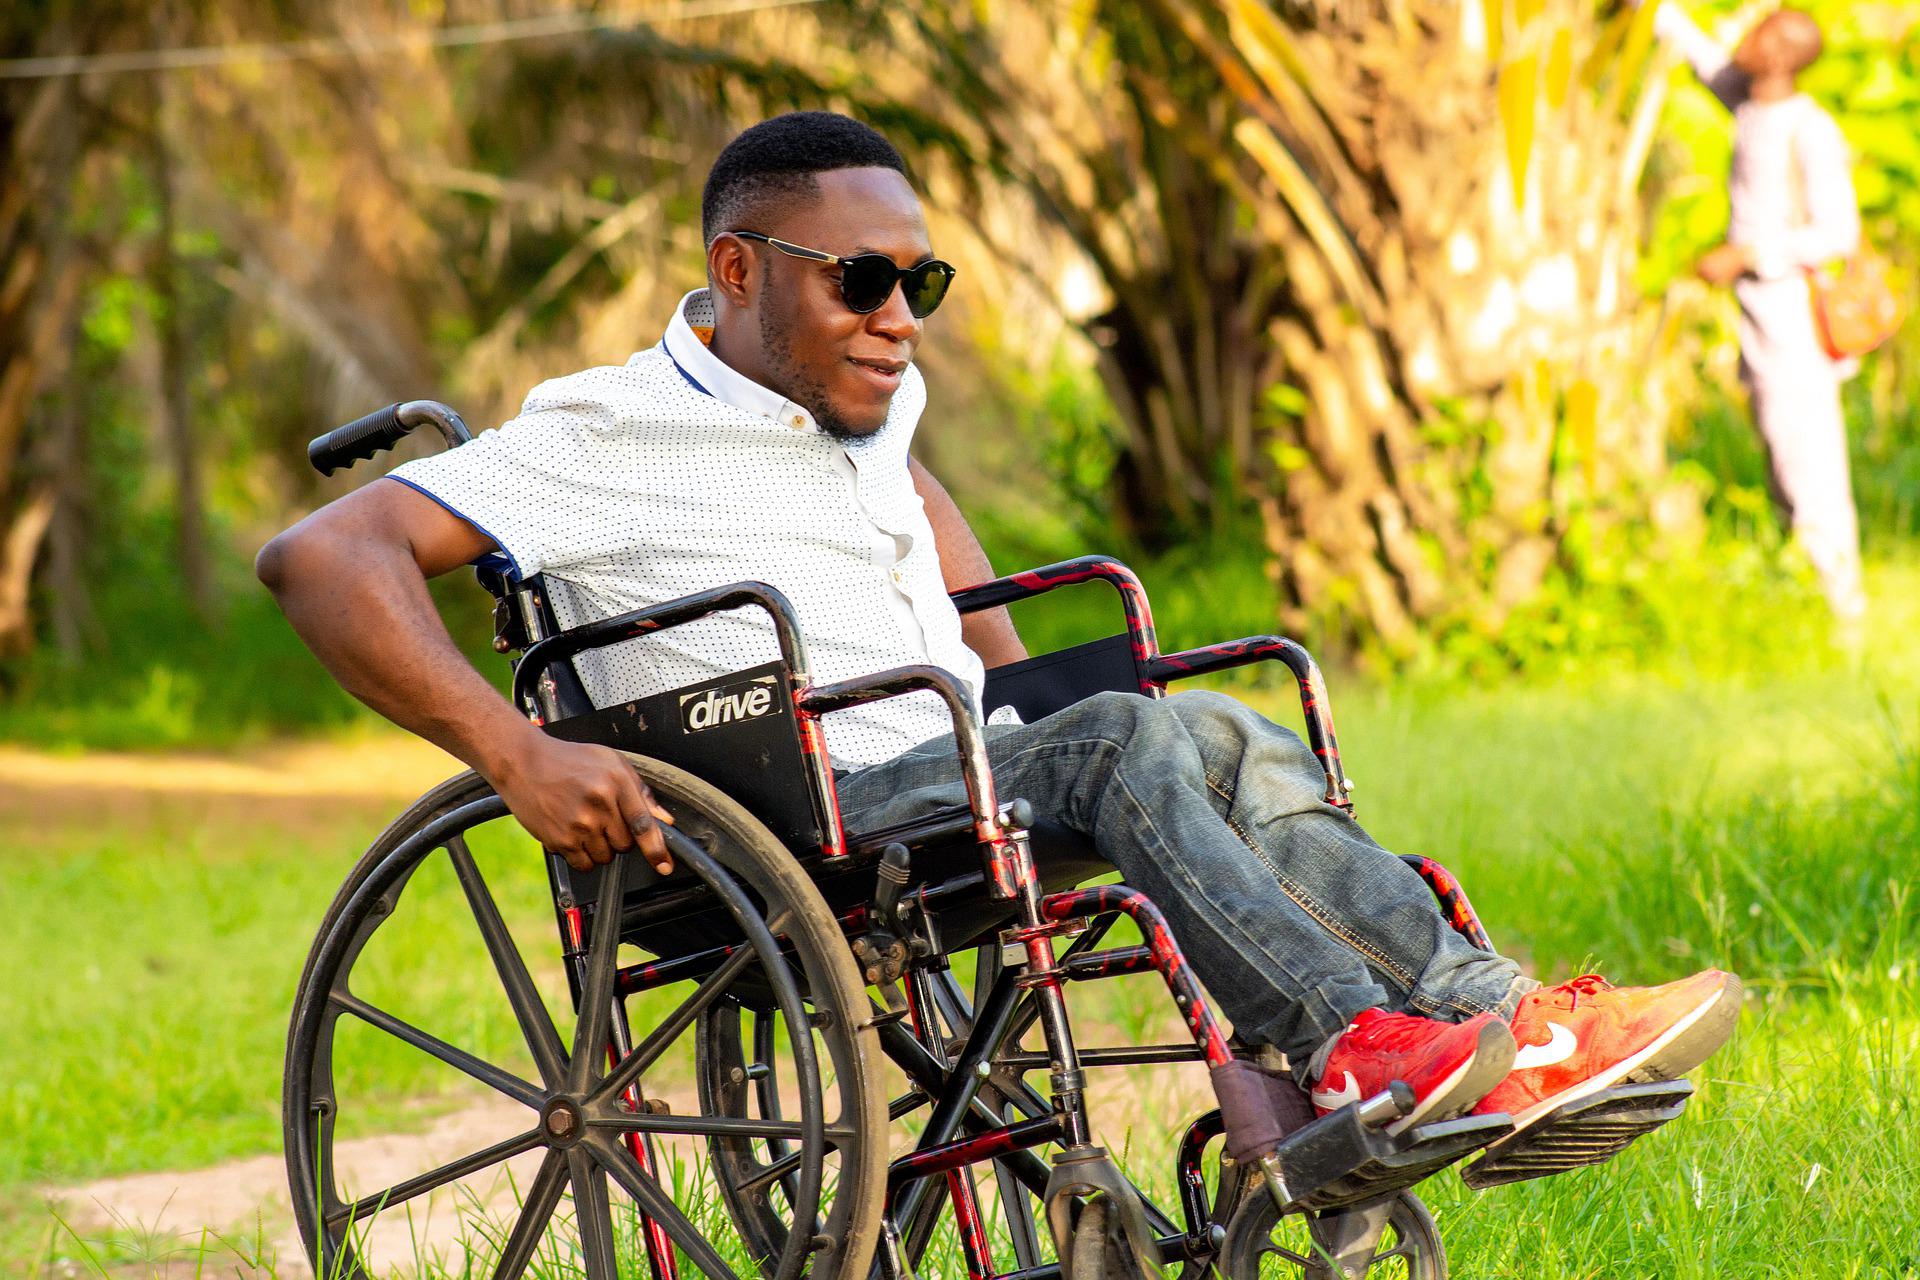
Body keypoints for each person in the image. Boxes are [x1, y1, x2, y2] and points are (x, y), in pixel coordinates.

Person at [257, 111, 1739, 1142]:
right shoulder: (595, 432)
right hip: (787, 804)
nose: (901, 314)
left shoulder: (859, 390)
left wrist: (1033, 716)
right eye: (862, 281)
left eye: (923, 281)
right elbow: (324, 556)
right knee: (1120, 740)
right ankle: (1355, 1047)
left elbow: (918, 494)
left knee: (1216, 721)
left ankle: (1502, 1023)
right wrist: (515, 753)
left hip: (947, 759)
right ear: (737, 272)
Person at [1649, 1, 1867, 621]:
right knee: (1780, 459)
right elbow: (1698, 53)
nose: (1743, 37)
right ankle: (1802, 601)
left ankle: (1842, 617)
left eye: (1759, 31)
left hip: (1795, 321)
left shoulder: (1809, 129)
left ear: (1778, 55)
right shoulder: (1749, 106)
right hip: (1758, 320)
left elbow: (1837, 234)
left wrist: (1747, 255)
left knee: (1811, 466)